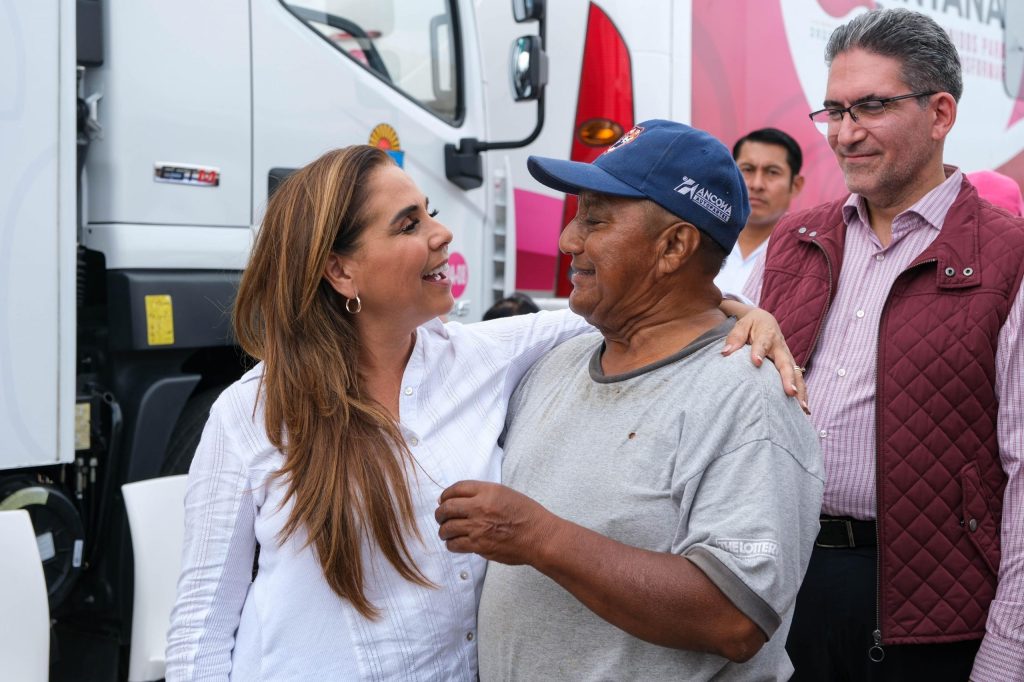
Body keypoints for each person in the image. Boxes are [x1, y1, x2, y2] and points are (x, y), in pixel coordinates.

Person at [164, 145, 803, 681]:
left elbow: (659, 305)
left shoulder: (489, 357)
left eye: (431, 214)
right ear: (340, 270)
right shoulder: (252, 411)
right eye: (408, 225)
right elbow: (200, 622)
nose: (441, 234)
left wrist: (747, 313)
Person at [435, 120, 824, 681]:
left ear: (673, 247)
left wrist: (538, 537)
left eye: (595, 219)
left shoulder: (749, 396)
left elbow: (735, 619)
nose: (569, 240)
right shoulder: (556, 363)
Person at [743, 9, 1024, 681]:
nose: (845, 133)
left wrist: (1007, 650)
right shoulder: (792, 244)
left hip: (931, 617)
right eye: (835, 111)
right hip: (781, 590)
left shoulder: (1007, 256)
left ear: (941, 113)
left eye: (871, 106)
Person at [713, 128, 804, 295]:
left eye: (772, 172)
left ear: (796, 185)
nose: (756, 184)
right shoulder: (701, 239)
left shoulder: (805, 255)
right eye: (747, 169)